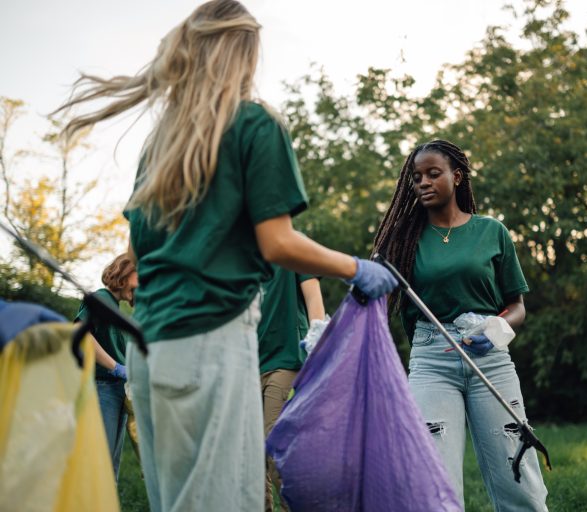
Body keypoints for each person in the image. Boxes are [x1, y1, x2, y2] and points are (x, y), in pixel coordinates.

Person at [55, 1, 397, 510]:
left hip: (148, 350)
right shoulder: (255, 125)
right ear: (242, 52)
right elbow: (278, 242)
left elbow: (137, 261)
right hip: (210, 344)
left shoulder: (161, 142)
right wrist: (356, 268)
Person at [373, 139, 548, 511]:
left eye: (433, 174)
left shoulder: (491, 231)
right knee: (431, 478)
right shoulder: (404, 240)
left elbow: (516, 307)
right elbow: (377, 305)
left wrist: (495, 331)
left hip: (491, 359)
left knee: (516, 467)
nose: (422, 182)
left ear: (457, 176)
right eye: (416, 177)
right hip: (431, 361)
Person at [259, 267, 325, 511]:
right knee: (249, 456)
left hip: (285, 359)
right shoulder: (241, 247)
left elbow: (313, 296)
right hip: (247, 363)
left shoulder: (289, 244)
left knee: (274, 444)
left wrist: (316, 341)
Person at [73, 253, 137, 481]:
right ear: (124, 272)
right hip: (103, 387)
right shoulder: (100, 299)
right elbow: (81, 335)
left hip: (118, 389)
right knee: (99, 463)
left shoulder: (116, 308)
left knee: (111, 464)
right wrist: (116, 367)